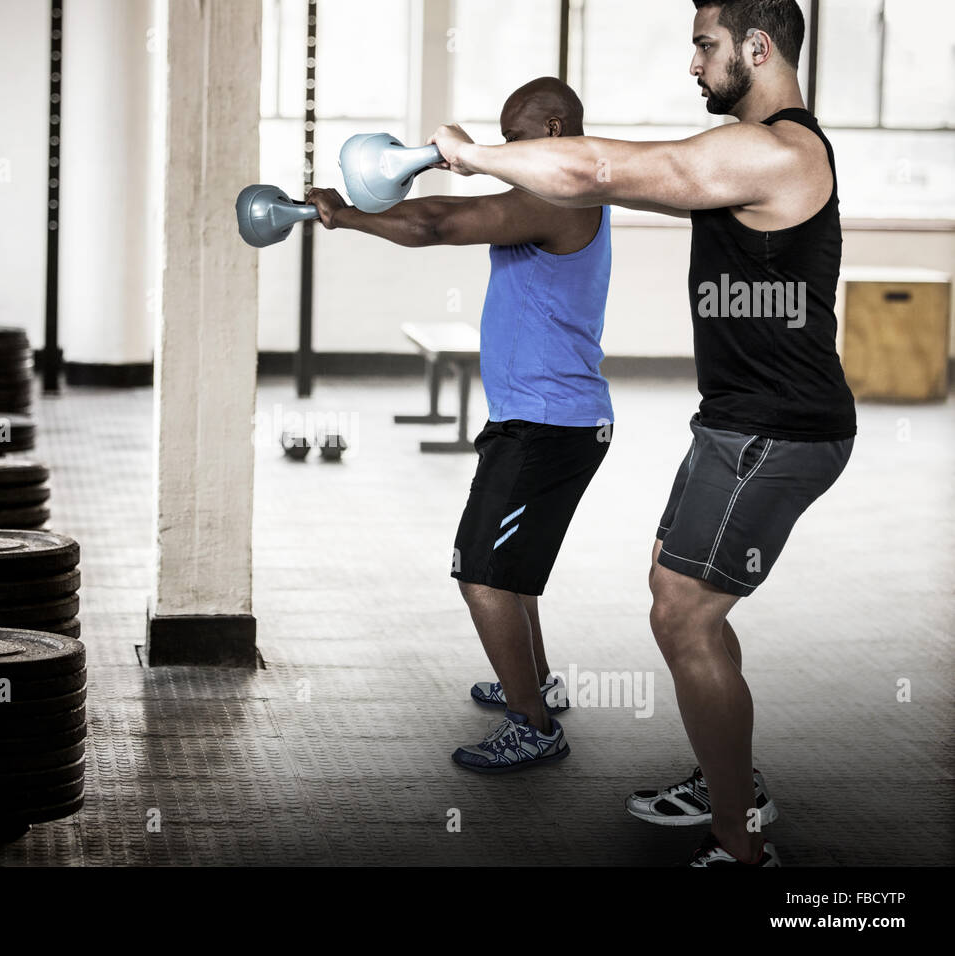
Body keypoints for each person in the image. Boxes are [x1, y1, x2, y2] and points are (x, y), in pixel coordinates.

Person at [428, 0, 855, 866]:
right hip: (736, 424)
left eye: (705, 47)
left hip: (777, 431)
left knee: (682, 616)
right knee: (682, 603)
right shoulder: (748, 158)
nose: (693, 65)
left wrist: (473, 153)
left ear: (758, 47)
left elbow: (591, 169)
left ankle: (739, 844)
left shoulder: (778, 149)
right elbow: (605, 173)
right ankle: (727, 773)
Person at [307, 77, 614, 773]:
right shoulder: (552, 195)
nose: (510, 153)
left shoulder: (558, 196)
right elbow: (459, 209)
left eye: (518, 140)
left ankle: (532, 725)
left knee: (480, 573)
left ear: (557, 129)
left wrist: (346, 215)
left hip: (548, 426)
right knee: (515, 574)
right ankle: (533, 683)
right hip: (541, 420)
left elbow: (435, 224)